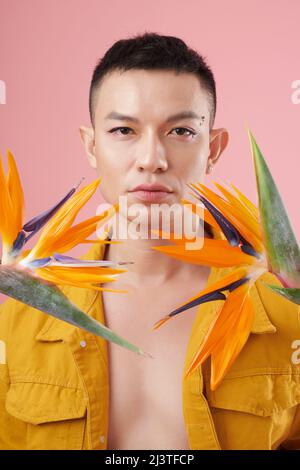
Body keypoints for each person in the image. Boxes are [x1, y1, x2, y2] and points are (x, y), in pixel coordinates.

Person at [0, 32, 299, 450]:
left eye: (180, 131)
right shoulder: (20, 321)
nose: (152, 159)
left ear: (213, 148)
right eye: (124, 130)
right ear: (91, 146)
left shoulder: (285, 312)